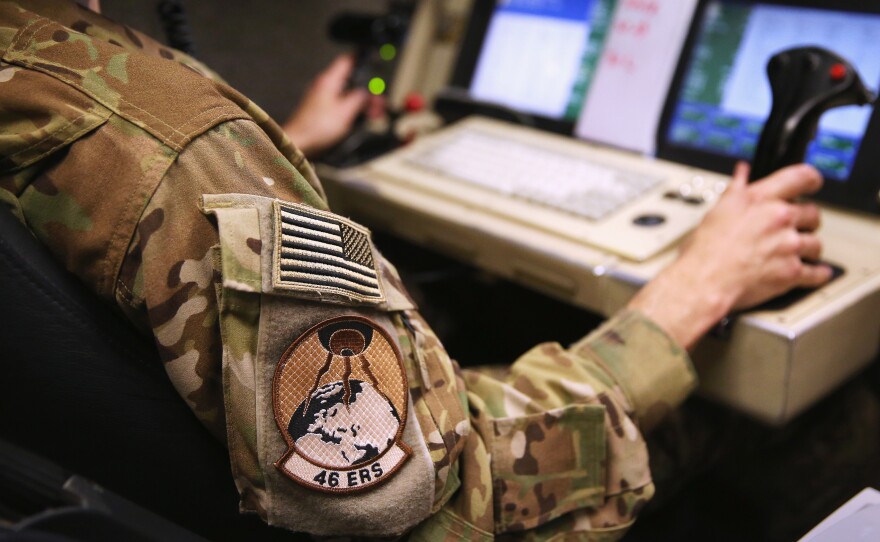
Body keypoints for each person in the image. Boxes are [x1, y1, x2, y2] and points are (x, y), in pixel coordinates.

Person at [0, 1, 832, 539]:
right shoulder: (173, 148)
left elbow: (124, 195)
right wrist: (685, 302)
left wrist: (269, 162)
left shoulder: (80, 103)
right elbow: (427, 507)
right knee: (776, 411)